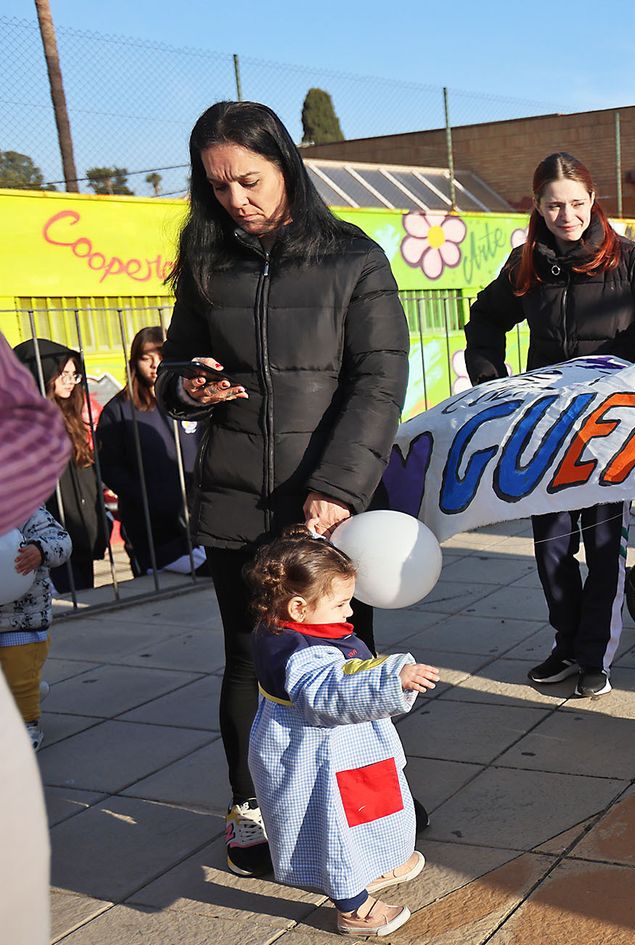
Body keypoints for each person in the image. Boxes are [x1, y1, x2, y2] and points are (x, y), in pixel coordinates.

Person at [155, 100, 411, 880]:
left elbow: (380, 379)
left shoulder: (353, 258)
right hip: (237, 501)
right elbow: (171, 371)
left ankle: (372, 796)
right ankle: (250, 807)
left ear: (286, 164)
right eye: (218, 186)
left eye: (249, 179)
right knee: (249, 660)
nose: (236, 199)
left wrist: (339, 486)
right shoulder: (208, 263)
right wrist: (189, 388)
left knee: (344, 662)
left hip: (325, 508)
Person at [463, 151, 635, 697]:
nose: (568, 217)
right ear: (537, 207)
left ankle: (595, 658)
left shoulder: (629, 260)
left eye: (577, 204)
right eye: (555, 206)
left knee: (605, 541)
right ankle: (566, 646)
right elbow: (485, 318)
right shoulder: (526, 267)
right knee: (552, 544)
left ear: (593, 200)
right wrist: (495, 383)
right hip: (548, 427)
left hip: (614, 429)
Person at [246, 527, 436, 935]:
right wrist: (393, 680)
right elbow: (328, 691)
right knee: (333, 827)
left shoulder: (294, 627)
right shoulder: (300, 652)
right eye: (341, 603)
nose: (349, 612)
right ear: (298, 607)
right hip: (315, 757)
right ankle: (353, 905)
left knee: (374, 807)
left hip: (347, 749)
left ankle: (381, 859)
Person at [0, 330, 75, 945]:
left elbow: (57, 537)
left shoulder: (22, 507)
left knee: (21, 682)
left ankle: (26, 720)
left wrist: (34, 548)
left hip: (23, 617)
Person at [94, 325, 204, 577]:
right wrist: (147, 496)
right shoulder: (118, 410)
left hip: (201, 519)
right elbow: (109, 467)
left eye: (162, 357)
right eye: (147, 358)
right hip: (152, 527)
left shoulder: (194, 403)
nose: (155, 365)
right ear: (135, 361)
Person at [13, 338, 109, 595]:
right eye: (63, 373)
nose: (70, 380)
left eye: (74, 374)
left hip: (79, 532)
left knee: (84, 600)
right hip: (44, 535)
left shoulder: (69, 417)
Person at [0, 508, 71, 751]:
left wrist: (40, 550)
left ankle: (27, 723)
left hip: (22, 619)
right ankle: (28, 691)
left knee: (19, 675)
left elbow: (62, 541)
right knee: (15, 678)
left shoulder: (28, 511)